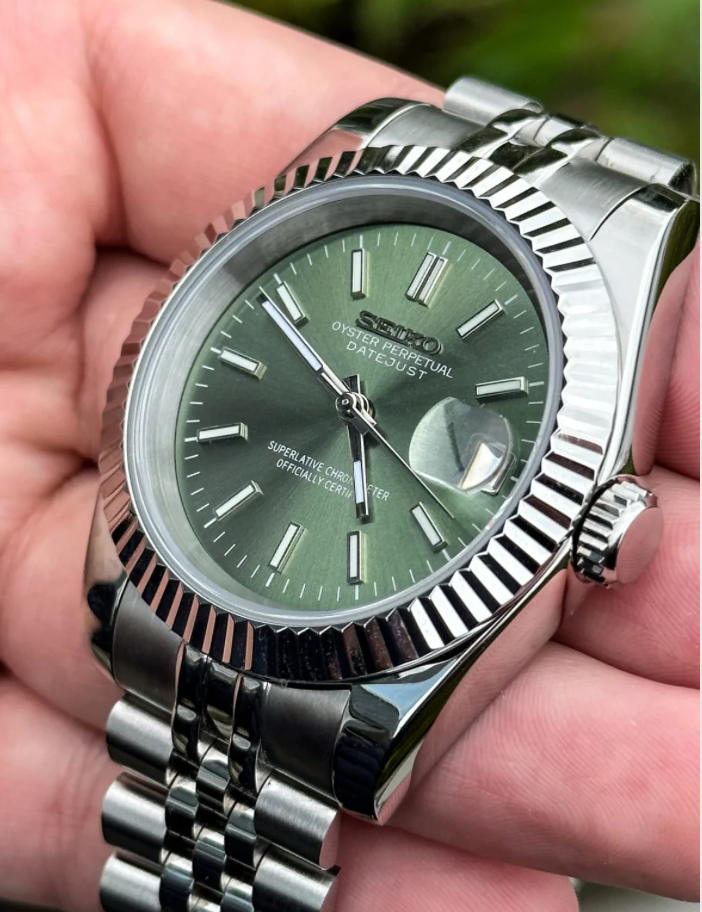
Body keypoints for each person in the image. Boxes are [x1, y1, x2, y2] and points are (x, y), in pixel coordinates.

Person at [0, 1, 698, 910]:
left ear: (595, 525)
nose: (359, 408)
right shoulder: (378, 146)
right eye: (351, 401)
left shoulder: (629, 240)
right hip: (184, 567)